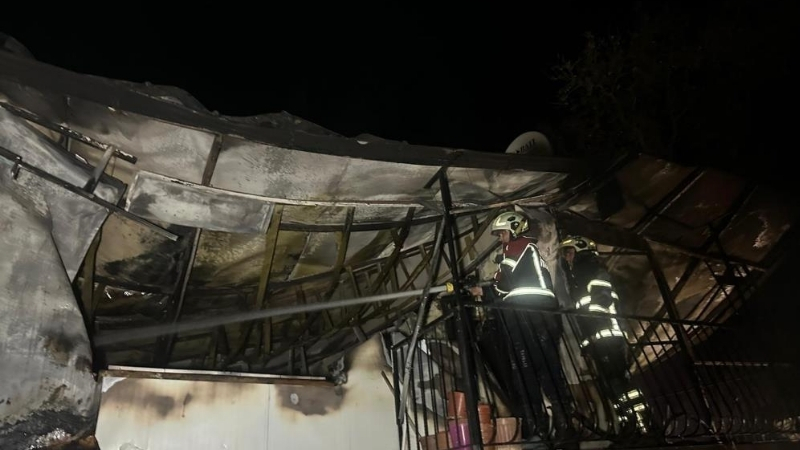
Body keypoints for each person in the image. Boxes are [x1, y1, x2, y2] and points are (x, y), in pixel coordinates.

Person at [470, 211, 576, 442]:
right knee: (542, 369)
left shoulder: (517, 247)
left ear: (515, 229)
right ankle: (559, 425)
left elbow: (505, 284)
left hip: (528, 315)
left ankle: (541, 426)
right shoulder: (524, 250)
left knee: (529, 370)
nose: (500, 239)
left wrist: (483, 291)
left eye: (502, 233)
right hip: (533, 315)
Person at [559, 235, 649, 434]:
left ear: (580, 251)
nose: (567, 258)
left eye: (569, 252)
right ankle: (629, 423)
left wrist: (586, 319)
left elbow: (601, 299)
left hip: (607, 338)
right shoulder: (581, 274)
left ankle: (642, 424)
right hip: (598, 339)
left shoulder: (592, 271)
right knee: (611, 384)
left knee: (619, 383)